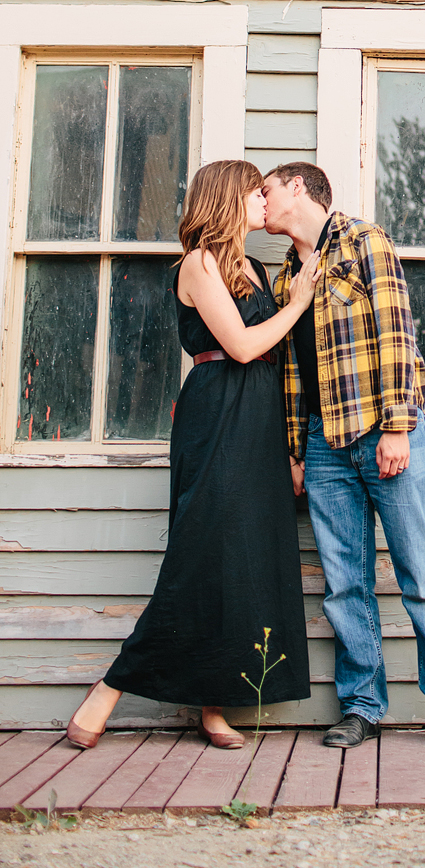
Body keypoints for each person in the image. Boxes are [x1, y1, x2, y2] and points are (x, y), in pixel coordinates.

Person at [65, 159, 320, 750]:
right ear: (228, 200)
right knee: (201, 556)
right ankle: (107, 689)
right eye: (255, 194)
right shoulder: (199, 264)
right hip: (217, 414)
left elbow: (276, 364)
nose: (264, 203)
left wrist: (288, 447)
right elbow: (242, 343)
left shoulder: (255, 267)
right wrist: (300, 301)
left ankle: (213, 708)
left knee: (244, 561)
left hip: (258, 419)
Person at [262, 162, 425, 750]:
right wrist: (294, 452)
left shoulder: (364, 241)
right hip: (321, 443)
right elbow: (290, 372)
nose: (261, 201)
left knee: (422, 576)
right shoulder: (286, 275)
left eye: (268, 190)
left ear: (299, 189)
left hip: (383, 431)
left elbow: (398, 336)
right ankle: (361, 706)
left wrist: (398, 427)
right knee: (344, 586)